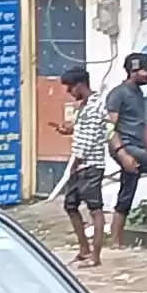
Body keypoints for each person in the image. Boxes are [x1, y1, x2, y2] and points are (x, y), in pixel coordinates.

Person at [56, 65, 113, 268]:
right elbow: (82, 132)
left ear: (80, 85)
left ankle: (95, 256)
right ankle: (83, 249)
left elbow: (89, 140)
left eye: (70, 88)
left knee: (95, 209)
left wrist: (76, 162)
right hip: (79, 165)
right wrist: (69, 130)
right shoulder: (83, 106)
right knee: (70, 205)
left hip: (90, 165)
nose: (69, 92)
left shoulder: (96, 105)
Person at [102, 51, 147, 218]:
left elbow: (143, 125)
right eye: (145, 70)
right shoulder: (118, 94)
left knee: (127, 193)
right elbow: (109, 127)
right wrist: (122, 154)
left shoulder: (138, 93)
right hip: (125, 146)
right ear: (134, 72)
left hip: (136, 146)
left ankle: (116, 241)